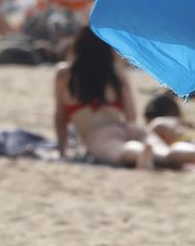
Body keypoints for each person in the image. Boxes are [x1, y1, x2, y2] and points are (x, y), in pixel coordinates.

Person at [53, 26, 159, 168]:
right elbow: (131, 115)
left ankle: (140, 152)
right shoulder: (115, 72)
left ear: (78, 46)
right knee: (164, 152)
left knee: (121, 151)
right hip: (126, 128)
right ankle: (193, 153)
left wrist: (62, 151)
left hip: (99, 135)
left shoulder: (64, 74)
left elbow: (60, 119)